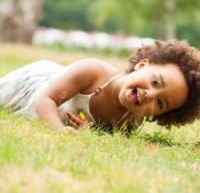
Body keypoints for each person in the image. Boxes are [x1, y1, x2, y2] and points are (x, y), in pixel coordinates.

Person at [0, 40, 200, 133]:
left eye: (160, 103)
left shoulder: (131, 123)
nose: (150, 94)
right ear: (142, 65)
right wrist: (60, 132)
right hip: (30, 87)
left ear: (159, 115)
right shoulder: (93, 72)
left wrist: (89, 130)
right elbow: (45, 100)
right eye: (155, 81)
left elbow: (102, 133)